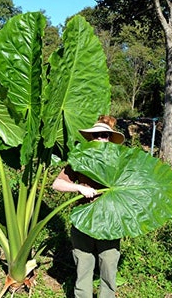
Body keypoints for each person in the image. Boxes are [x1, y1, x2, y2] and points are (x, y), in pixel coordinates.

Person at [52, 115, 125, 298]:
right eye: (97, 135)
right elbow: (57, 184)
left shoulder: (119, 161)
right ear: (91, 138)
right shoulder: (80, 160)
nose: (101, 138)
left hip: (109, 220)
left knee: (108, 264)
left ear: (109, 139)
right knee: (84, 264)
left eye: (105, 135)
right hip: (84, 219)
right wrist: (78, 187)